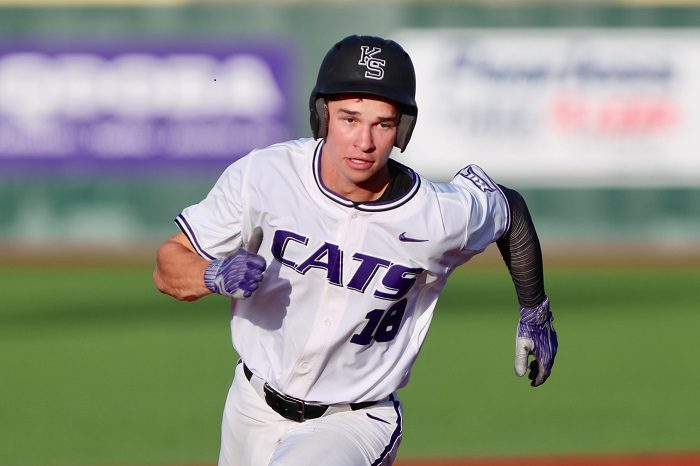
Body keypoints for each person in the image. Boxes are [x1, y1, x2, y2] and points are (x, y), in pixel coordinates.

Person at [153, 34, 557, 466]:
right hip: (249, 405)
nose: (363, 141)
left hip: (353, 422)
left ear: (402, 128)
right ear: (322, 115)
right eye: (349, 119)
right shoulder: (266, 176)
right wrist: (211, 273)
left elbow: (508, 209)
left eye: (382, 123)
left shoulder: (438, 215)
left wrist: (535, 308)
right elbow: (167, 267)